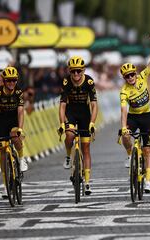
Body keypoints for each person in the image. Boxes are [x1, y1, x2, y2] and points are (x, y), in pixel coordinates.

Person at [119, 34, 150, 193]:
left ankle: (148, 181)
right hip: (133, 117)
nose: (130, 78)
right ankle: (130, 154)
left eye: (132, 74)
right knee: (125, 136)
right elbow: (123, 110)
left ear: (136, 73)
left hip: (146, 117)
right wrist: (123, 127)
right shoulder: (124, 91)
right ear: (124, 78)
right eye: (127, 76)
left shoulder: (142, 76)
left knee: (147, 149)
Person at [0, 66, 28, 198]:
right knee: (3, 151)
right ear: (4, 81)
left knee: (15, 136)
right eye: (8, 80)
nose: (11, 83)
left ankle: (21, 158)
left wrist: (20, 128)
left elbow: (21, 111)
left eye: (14, 80)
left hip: (15, 119)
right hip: (2, 121)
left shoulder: (18, 92)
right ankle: (5, 185)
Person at [58, 56, 98, 195]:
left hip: (85, 115)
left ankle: (87, 182)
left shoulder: (89, 81)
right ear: (69, 71)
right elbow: (62, 105)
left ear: (83, 70)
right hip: (71, 112)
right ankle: (69, 156)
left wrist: (92, 123)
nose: (76, 74)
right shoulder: (66, 82)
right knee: (69, 134)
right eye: (73, 71)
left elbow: (94, 104)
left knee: (86, 148)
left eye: (79, 71)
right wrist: (62, 124)